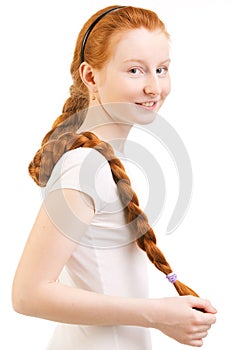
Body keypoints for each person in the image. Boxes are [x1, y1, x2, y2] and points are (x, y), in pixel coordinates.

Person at [12, 5, 217, 349]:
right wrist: (158, 314)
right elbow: (28, 294)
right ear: (91, 76)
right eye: (135, 70)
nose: (155, 87)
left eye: (162, 69)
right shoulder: (84, 167)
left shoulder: (104, 159)